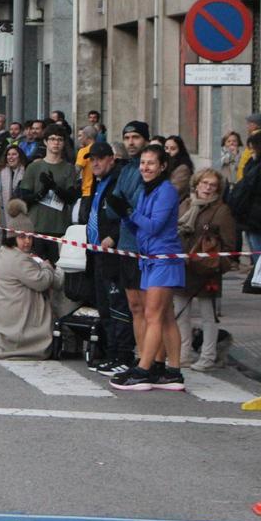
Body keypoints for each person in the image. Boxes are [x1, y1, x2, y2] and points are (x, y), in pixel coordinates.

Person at [108, 145, 187, 391]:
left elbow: (154, 226)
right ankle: (171, 370)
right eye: (143, 163)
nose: (145, 167)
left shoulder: (166, 191)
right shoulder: (145, 190)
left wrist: (129, 212)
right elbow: (138, 228)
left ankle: (145, 368)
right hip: (148, 257)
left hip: (164, 258)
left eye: (151, 163)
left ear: (163, 166)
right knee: (164, 317)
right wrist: (125, 215)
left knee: (153, 315)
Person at [0, 198, 64, 359]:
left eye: (30, 237)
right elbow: (42, 282)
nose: (27, 241)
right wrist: (47, 266)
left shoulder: (5, 252)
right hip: (12, 318)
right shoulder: (18, 259)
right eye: (22, 237)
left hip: (0, 313)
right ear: (13, 237)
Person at [175, 168, 236, 371]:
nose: (207, 188)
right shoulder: (186, 204)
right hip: (184, 267)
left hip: (206, 270)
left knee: (207, 315)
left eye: (212, 185)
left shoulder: (222, 210)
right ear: (197, 184)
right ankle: (184, 353)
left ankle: (208, 356)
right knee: (181, 313)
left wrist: (218, 266)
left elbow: (230, 245)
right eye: (204, 183)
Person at [78, 141, 131, 375]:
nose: (95, 163)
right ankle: (111, 353)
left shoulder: (118, 181)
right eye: (92, 159)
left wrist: (113, 236)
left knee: (117, 306)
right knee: (104, 306)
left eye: (100, 158)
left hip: (113, 254)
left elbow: (126, 214)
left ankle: (123, 354)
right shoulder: (99, 183)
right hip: (97, 252)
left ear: (112, 159)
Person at [104, 121, 151, 366]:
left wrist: (126, 207)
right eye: (127, 137)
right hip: (125, 242)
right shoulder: (125, 169)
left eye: (135, 137)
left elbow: (138, 205)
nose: (131, 142)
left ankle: (149, 359)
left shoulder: (146, 169)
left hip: (143, 246)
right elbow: (113, 207)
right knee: (133, 306)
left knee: (148, 308)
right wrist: (123, 207)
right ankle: (139, 355)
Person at [16, 126, 77, 263]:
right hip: (36, 226)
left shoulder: (68, 168)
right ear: (45, 142)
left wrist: (54, 186)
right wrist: (43, 191)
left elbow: (71, 197)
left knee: (56, 272)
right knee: (36, 270)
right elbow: (25, 198)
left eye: (60, 140)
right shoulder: (33, 167)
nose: (56, 143)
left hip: (59, 228)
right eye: (52, 139)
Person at [227, 130, 261, 258]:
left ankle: (260, 271)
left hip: (258, 211)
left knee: (257, 244)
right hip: (250, 210)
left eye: (253, 149)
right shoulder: (256, 162)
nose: (251, 152)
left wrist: (248, 187)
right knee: (253, 241)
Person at [0, 145, 27, 231]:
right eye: (8, 154)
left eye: (14, 154)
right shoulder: (0, 170)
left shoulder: (26, 170)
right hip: (4, 215)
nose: (11, 157)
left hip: (22, 213)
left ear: (20, 156)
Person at [164, 135, 194, 200]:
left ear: (180, 150)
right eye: (166, 148)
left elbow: (173, 191)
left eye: (173, 149)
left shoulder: (183, 168)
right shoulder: (165, 163)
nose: (168, 151)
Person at [74, 126, 98, 197]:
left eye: (81, 136)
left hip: (87, 191)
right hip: (99, 191)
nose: (80, 138)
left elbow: (76, 170)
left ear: (86, 136)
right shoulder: (101, 148)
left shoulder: (83, 151)